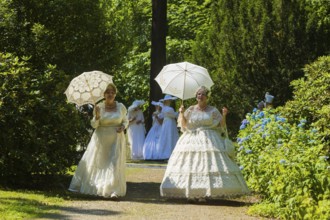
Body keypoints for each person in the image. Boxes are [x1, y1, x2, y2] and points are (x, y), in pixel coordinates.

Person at [160, 86, 250, 201]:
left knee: (207, 165)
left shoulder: (212, 110)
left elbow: (221, 125)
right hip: (191, 138)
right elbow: (184, 125)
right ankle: (191, 193)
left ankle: (203, 193)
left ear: (207, 97)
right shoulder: (190, 109)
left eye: (202, 94)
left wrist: (224, 115)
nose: (200, 96)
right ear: (196, 96)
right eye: (198, 94)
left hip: (209, 139)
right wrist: (182, 113)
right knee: (190, 165)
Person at [68, 83, 128, 200]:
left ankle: (113, 191)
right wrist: (97, 116)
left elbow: (125, 120)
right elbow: (94, 125)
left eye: (112, 92)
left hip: (116, 138)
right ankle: (97, 187)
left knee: (114, 164)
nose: (110, 94)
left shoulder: (121, 107)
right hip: (101, 139)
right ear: (104, 94)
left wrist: (123, 127)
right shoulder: (98, 107)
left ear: (115, 94)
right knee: (100, 163)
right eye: (108, 92)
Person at [156, 95, 179, 160]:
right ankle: (169, 153)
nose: (170, 101)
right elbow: (174, 115)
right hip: (169, 123)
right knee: (170, 136)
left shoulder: (164, 108)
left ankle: (167, 152)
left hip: (166, 123)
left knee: (166, 136)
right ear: (167, 101)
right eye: (169, 100)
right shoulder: (169, 109)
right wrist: (178, 112)